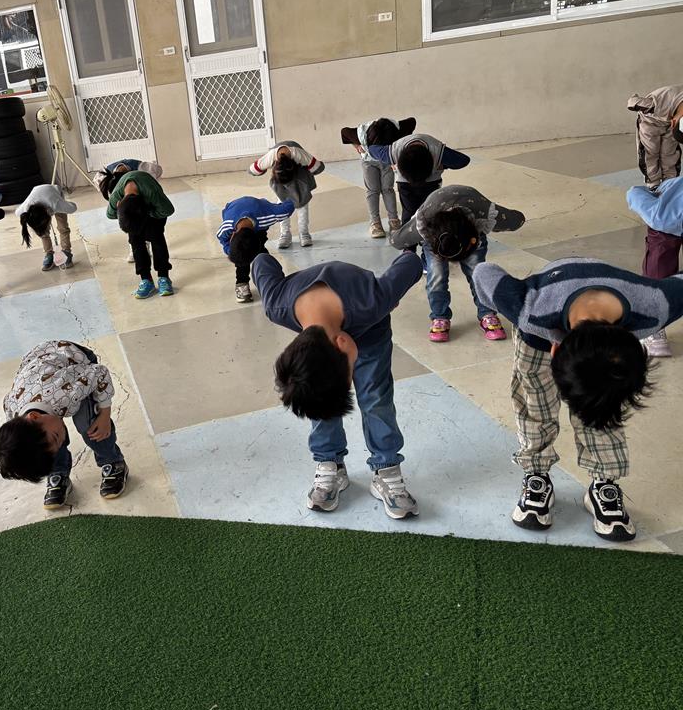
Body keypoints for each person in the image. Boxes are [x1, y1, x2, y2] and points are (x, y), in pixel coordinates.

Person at [473, 258, 683, 541]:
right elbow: (483, 272)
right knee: (534, 403)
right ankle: (536, 473)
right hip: (537, 332)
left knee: (601, 407)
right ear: (555, 352)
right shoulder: (529, 308)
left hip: (601, 316)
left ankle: (603, 484)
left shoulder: (654, 308)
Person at [248, 247, 423, 519]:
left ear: (342, 344)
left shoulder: (373, 300)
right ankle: (330, 462)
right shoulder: (276, 304)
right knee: (317, 393)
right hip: (335, 320)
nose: (353, 381)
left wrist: (392, 292)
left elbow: (411, 261)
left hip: (370, 330)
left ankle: (386, 467)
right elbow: (260, 260)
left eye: (348, 378)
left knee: (375, 397)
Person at [0, 340, 129, 509]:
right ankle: (58, 473)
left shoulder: (65, 393)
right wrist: (52, 447)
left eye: (57, 437)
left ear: (35, 416)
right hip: (37, 373)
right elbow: (8, 402)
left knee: (89, 425)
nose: (61, 439)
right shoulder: (14, 413)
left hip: (75, 361)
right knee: (46, 447)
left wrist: (105, 415)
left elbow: (100, 373)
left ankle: (113, 462)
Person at [390, 184, 526, 342]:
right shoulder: (425, 219)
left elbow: (516, 220)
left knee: (477, 273)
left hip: (471, 229)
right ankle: (439, 316)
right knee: (437, 276)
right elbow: (397, 240)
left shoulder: (483, 210)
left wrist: (517, 218)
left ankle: (487, 313)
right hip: (436, 230)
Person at [627, 175, 683, 356]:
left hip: (665, 220)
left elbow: (633, 195)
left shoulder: (659, 210)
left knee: (658, 267)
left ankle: (654, 329)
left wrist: (643, 192)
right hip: (668, 214)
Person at [367, 133, 471, 223]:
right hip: (406, 185)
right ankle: (408, 238)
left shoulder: (438, 151)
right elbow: (371, 149)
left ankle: (426, 236)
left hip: (430, 184)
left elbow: (463, 160)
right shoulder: (393, 152)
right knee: (409, 215)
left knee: (430, 213)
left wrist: (443, 165)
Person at [341, 116, 416, 238]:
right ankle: (375, 223)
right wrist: (357, 146)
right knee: (373, 190)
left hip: (387, 161)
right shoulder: (361, 133)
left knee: (388, 189)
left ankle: (394, 220)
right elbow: (344, 132)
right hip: (369, 162)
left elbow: (412, 121)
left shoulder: (396, 129)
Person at [106, 169, 176, 298]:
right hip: (134, 211)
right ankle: (146, 280)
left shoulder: (152, 193)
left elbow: (168, 210)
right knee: (136, 242)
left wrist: (148, 212)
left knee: (157, 239)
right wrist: (121, 211)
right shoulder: (116, 196)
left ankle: (164, 277)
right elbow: (110, 214)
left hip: (154, 211)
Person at [216, 196, 295, 303]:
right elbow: (222, 239)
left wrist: (291, 192)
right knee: (241, 253)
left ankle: (270, 278)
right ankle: (241, 282)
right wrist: (231, 251)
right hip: (232, 209)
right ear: (232, 235)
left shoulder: (268, 216)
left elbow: (288, 207)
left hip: (259, 209)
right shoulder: (227, 228)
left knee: (262, 256)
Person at [249, 141, 324, 249]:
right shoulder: (271, 156)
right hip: (279, 180)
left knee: (302, 205)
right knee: (282, 206)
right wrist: (263, 168)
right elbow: (253, 170)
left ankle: (304, 233)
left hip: (299, 178)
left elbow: (318, 168)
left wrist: (307, 166)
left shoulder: (299, 154)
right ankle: (285, 234)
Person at [92, 158, 163, 264]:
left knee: (145, 219)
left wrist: (147, 187)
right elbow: (102, 189)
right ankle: (134, 246)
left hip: (143, 191)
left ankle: (146, 243)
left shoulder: (145, 169)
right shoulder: (102, 177)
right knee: (129, 218)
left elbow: (159, 171)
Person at [627, 85, 683, 189]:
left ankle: (670, 181)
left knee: (669, 151)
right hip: (649, 122)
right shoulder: (655, 105)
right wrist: (634, 99)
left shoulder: (676, 120)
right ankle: (653, 183)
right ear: (674, 122)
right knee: (650, 152)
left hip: (670, 122)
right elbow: (633, 102)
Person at [16, 183, 78, 272]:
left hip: (54, 194)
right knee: (43, 232)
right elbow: (16, 212)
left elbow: (73, 207)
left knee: (63, 227)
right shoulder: (26, 209)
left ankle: (66, 251)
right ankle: (49, 253)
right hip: (37, 194)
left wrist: (64, 204)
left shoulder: (56, 204)